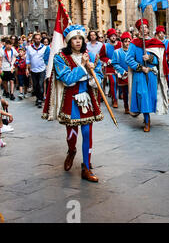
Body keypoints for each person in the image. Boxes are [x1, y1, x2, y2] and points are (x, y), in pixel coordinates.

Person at [42, 24, 104, 182]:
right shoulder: (60, 57)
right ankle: (71, 150)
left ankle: (87, 167)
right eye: (74, 38)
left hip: (87, 100)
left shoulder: (90, 56)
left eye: (80, 38)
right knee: (72, 135)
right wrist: (83, 67)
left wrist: (92, 75)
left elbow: (98, 78)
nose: (77, 41)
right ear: (69, 41)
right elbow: (67, 80)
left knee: (87, 133)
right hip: (70, 100)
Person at [125, 18, 169, 132]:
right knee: (143, 95)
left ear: (148, 29)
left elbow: (159, 60)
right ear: (138, 30)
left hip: (151, 73)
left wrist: (150, 58)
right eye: (141, 27)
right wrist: (140, 67)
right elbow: (128, 59)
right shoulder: (134, 43)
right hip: (140, 74)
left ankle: (147, 116)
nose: (144, 29)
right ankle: (147, 119)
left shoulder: (154, 43)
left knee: (150, 97)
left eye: (146, 27)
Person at [26, 33, 50, 108]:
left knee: (40, 84)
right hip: (33, 69)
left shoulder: (44, 48)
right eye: (36, 39)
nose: (37, 40)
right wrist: (27, 68)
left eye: (39, 39)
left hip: (42, 69)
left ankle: (40, 99)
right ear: (33, 39)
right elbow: (27, 59)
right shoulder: (29, 48)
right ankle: (37, 97)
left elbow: (47, 59)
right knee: (35, 85)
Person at [99, 28, 122, 108]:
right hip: (110, 67)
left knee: (120, 84)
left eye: (114, 36)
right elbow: (101, 56)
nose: (113, 37)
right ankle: (115, 100)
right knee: (113, 82)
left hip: (120, 67)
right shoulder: (105, 46)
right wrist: (107, 60)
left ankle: (116, 96)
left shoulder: (120, 44)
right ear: (109, 37)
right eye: (111, 36)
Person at [112, 32, 131, 114]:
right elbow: (114, 63)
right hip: (123, 75)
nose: (127, 43)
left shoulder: (132, 51)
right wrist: (123, 71)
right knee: (125, 92)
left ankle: (132, 106)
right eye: (125, 41)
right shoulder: (117, 52)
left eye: (128, 41)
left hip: (132, 74)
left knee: (133, 92)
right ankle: (126, 106)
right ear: (122, 42)